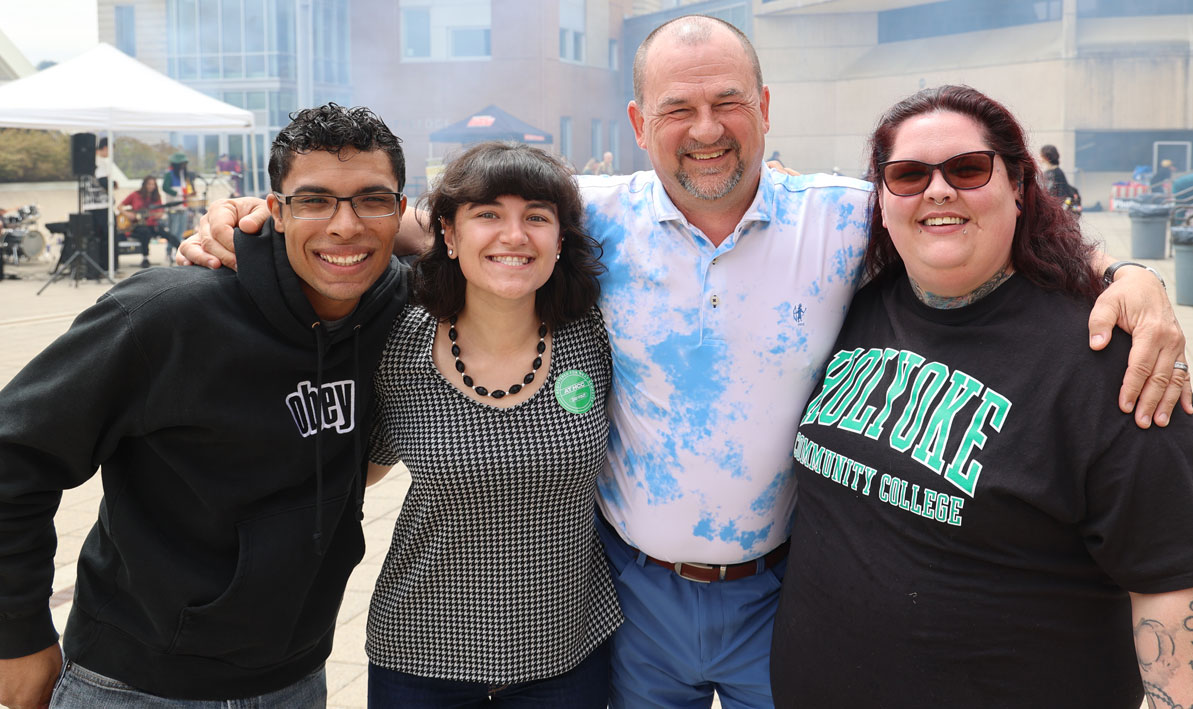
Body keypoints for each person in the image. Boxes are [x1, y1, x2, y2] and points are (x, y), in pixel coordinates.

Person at [180, 15, 1190, 708]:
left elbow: (970, 222)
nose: (703, 131)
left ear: (762, 103)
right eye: (674, 109)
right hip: (628, 587)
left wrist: (1130, 272)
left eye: (724, 103)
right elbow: (441, 223)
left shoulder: (846, 215)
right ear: (637, 125)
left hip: (781, 590)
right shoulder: (589, 218)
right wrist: (261, 220)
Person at [770, 84, 1193, 708]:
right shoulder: (854, 308)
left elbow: (1170, 586)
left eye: (968, 169)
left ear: (1019, 187)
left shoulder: (1111, 363)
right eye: (908, 175)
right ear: (882, 201)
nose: (939, 191)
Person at [0, 103, 411, 708]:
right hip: (136, 684)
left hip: (297, 677)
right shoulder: (168, 315)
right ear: (274, 210)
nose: (345, 226)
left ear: (401, 212)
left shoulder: (400, 308)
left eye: (372, 200)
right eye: (314, 200)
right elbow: (15, 454)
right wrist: (18, 636)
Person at [364, 141, 620, 707]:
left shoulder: (597, 336)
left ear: (559, 238)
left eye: (536, 216)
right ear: (449, 236)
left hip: (567, 652)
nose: (514, 235)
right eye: (488, 215)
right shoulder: (400, 344)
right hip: (420, 654)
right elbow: (364, 470)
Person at [119, 175, 182, 267]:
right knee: (145, 232)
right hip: (137, 226)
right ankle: (145, 258)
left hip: (152, 225)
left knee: (167, 234)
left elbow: (160, 211)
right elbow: (120, 206)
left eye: (153, 184)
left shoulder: (156, 197)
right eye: (149, 184)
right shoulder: (135, 195)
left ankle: (182, 251)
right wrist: (128, 214)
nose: (151, 186)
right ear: (144, 184)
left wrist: (158, 215)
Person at [162, 152, 197, 240]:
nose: (183, 166)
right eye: (181, 164)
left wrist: (190, 194)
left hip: (184, 207)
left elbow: (185, 189)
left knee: (182, 231)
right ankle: (169, 251)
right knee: (173, 231)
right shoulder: (169, 174)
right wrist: (178, 194)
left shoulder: (184, 175)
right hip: (174, 207)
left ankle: (177, 249)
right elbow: (165, 187)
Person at [1039, 143, 1081, 216]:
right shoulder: (1048, 173)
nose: (1039, 157)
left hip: (1056, 213)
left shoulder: (1056, 173)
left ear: (1046, 157)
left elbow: (1060, 194)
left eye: (1041, 155)